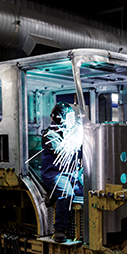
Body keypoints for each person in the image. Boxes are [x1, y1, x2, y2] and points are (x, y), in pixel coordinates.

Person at [41, 101, 84, 242]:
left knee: (86, 193)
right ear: (59, 118)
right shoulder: (49, 135)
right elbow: (63, 152)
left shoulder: (70, 133)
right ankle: (59, 229)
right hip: (54, 174)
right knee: (67, 194)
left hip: (71, 174)